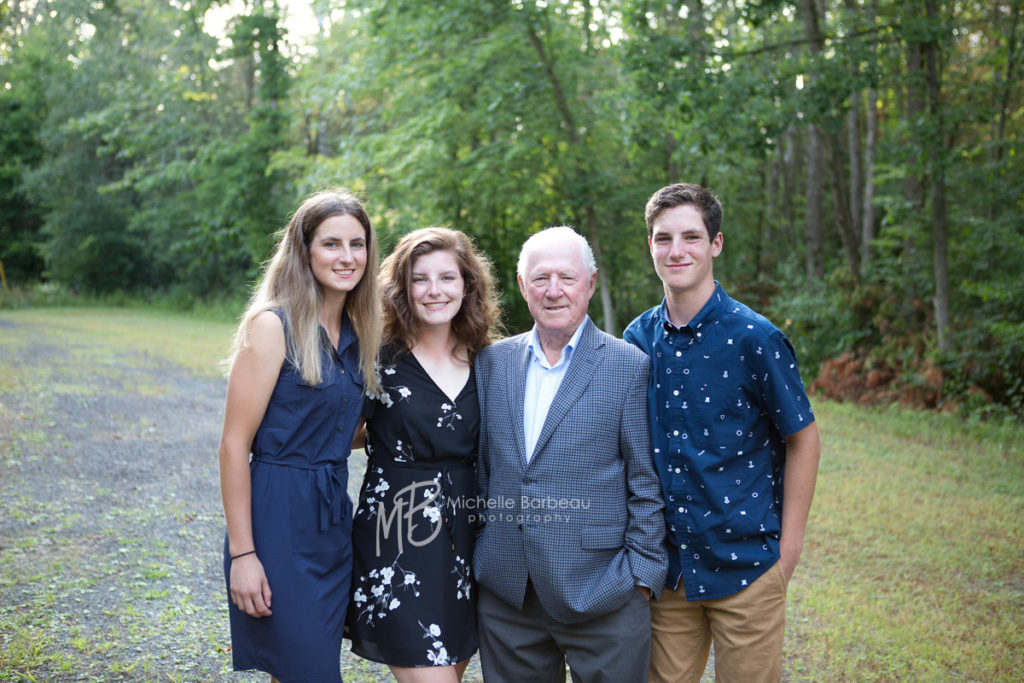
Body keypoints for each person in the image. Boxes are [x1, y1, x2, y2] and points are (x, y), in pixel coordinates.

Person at [623, 183, 821, 683]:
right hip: (669, 573)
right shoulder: (636, 340)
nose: (676, 250)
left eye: (691, 236)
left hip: (748, 566)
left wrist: (788, 552)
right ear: (649, 245)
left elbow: (803, 439)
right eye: (663, 238)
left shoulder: (756, 338)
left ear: (715, 244)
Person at [473, 226, 668, 683]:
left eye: (567, 277)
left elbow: (646, 482)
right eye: (541, 278)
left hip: (605, 594)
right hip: (509, 599)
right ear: (523, 286)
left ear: (591, 284)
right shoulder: (491, 363)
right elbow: (482, 470)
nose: (554, 290)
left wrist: (640, 577)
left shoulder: (629, 365)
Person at [218, 189, 382, 682]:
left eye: (358, 244)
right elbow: (232, 445)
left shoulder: (360, 333)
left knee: (302, 669)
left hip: (332, 520)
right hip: (277, 517)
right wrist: (244, 555)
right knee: (308, 672)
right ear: (304, 250)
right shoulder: (272, 326)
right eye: (332, 244)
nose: (347, 257)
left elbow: (337, 431)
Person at [347, 227, 501, 682]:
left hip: (470, 534)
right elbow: (342, 431)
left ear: (467, 285)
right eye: (420, 279)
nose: (435, 290)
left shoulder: (489, 360)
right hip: (399, 535)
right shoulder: (376, 358)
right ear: (402, 289)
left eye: (447, 278)